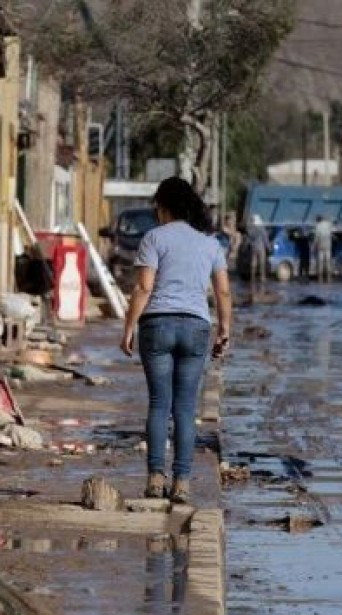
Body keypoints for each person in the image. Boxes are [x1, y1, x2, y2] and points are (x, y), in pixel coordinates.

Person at [120, 177, 234, 505]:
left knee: (159, 404)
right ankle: (182, 483)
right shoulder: (211, 244)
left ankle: (156, 477)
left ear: (166, 206)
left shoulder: (154, 238)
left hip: (156, 324)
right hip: (196, 326)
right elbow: (223, 291)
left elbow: (143, 288)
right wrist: (224, 329)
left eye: (157, 206)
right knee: (185, 408)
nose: (156, 213)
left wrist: (128, 327)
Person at [246, 214, 269, 288]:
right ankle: (262, 277)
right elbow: (265, 238)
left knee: (253, 262)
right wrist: (268, 247)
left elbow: (249, 237)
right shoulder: (261, 228)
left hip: (253, 247)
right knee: (262, 262)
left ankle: (252, 277)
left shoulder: (251, 228)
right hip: (261, 247)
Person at [312, 215, 334, 283]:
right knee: (328, 262)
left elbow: (316, 238)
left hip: (321, 246)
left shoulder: (317, 226)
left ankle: (320, 279)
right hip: (328, 246)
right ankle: (328, 278)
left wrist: (313, 246)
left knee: (320, 262)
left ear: (318, 220)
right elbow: (332, 224)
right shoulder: (328, 224)